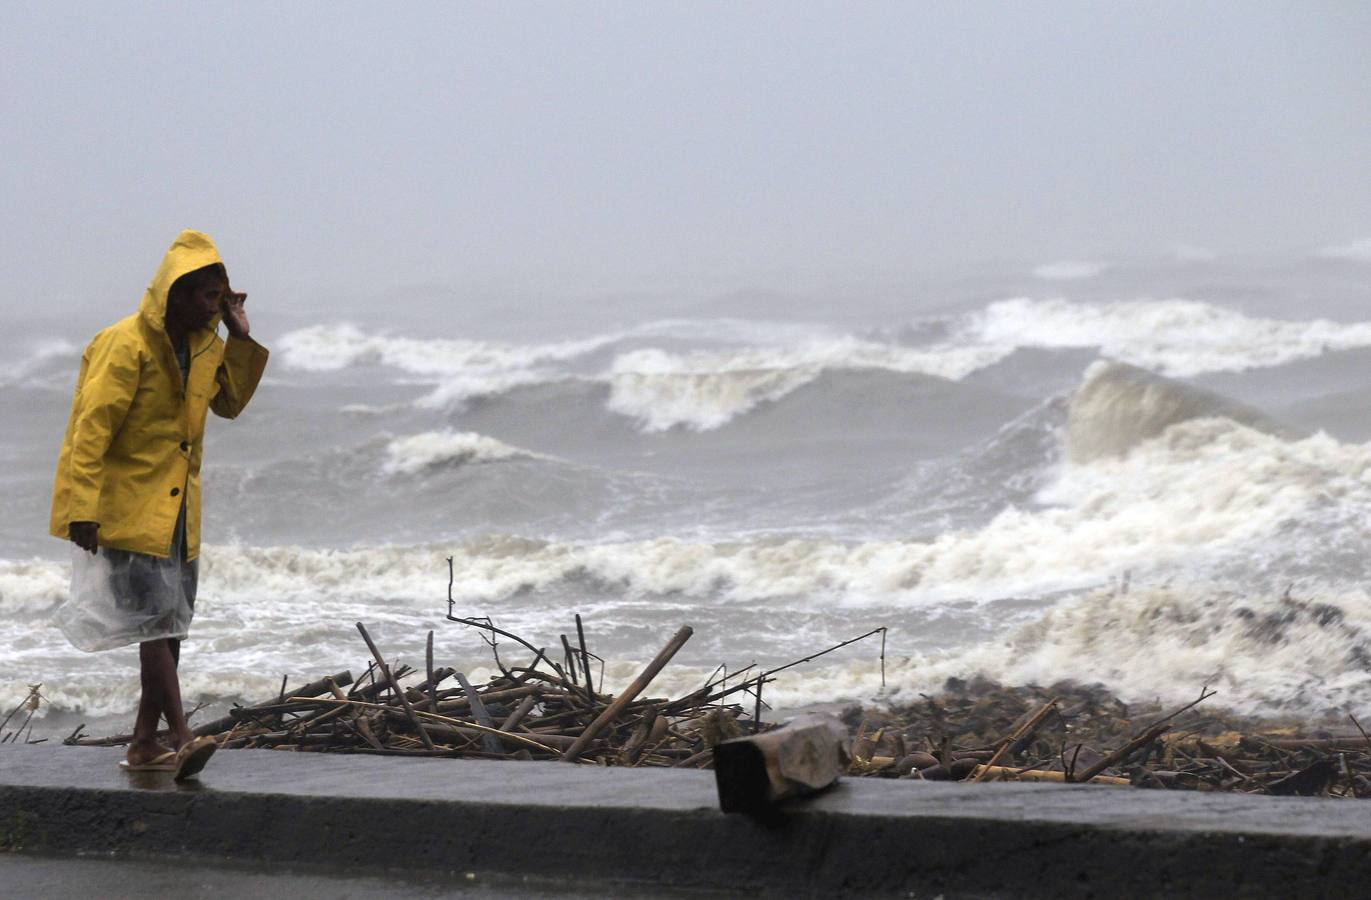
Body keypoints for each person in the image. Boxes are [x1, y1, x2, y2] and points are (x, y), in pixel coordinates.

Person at [50, 230, 268, 778]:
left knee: (169, 628)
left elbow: (231, 404)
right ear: (175, 294)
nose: (217, 305)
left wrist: (240, 338)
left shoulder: (205, 347)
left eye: (222, 297)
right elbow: (91, 431)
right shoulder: (124, 345)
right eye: (209, 297)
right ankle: (183, 735)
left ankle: (145, 744)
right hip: (125, 507)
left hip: (177, 511)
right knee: (153, 623)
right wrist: (84, 509)